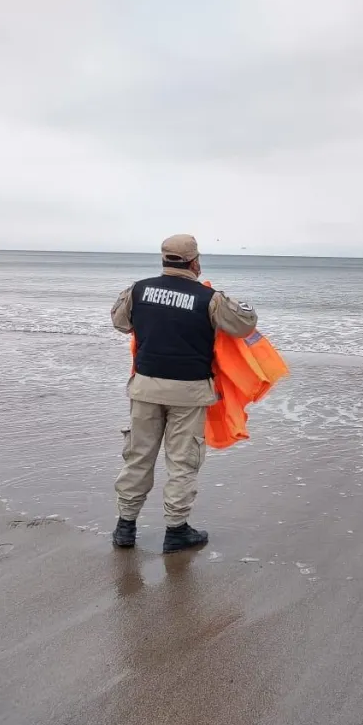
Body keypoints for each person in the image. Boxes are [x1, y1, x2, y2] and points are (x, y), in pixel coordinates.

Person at [109, 234, 258, 553]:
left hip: (146, 387)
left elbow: (120, 323)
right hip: (189, 393)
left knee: (138, 456)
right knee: (182, 462)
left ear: (164, 260)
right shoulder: (210, 299)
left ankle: (125, 528)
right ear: (194, 262)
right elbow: (245, 325)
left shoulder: (138, 290)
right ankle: (176, 531)